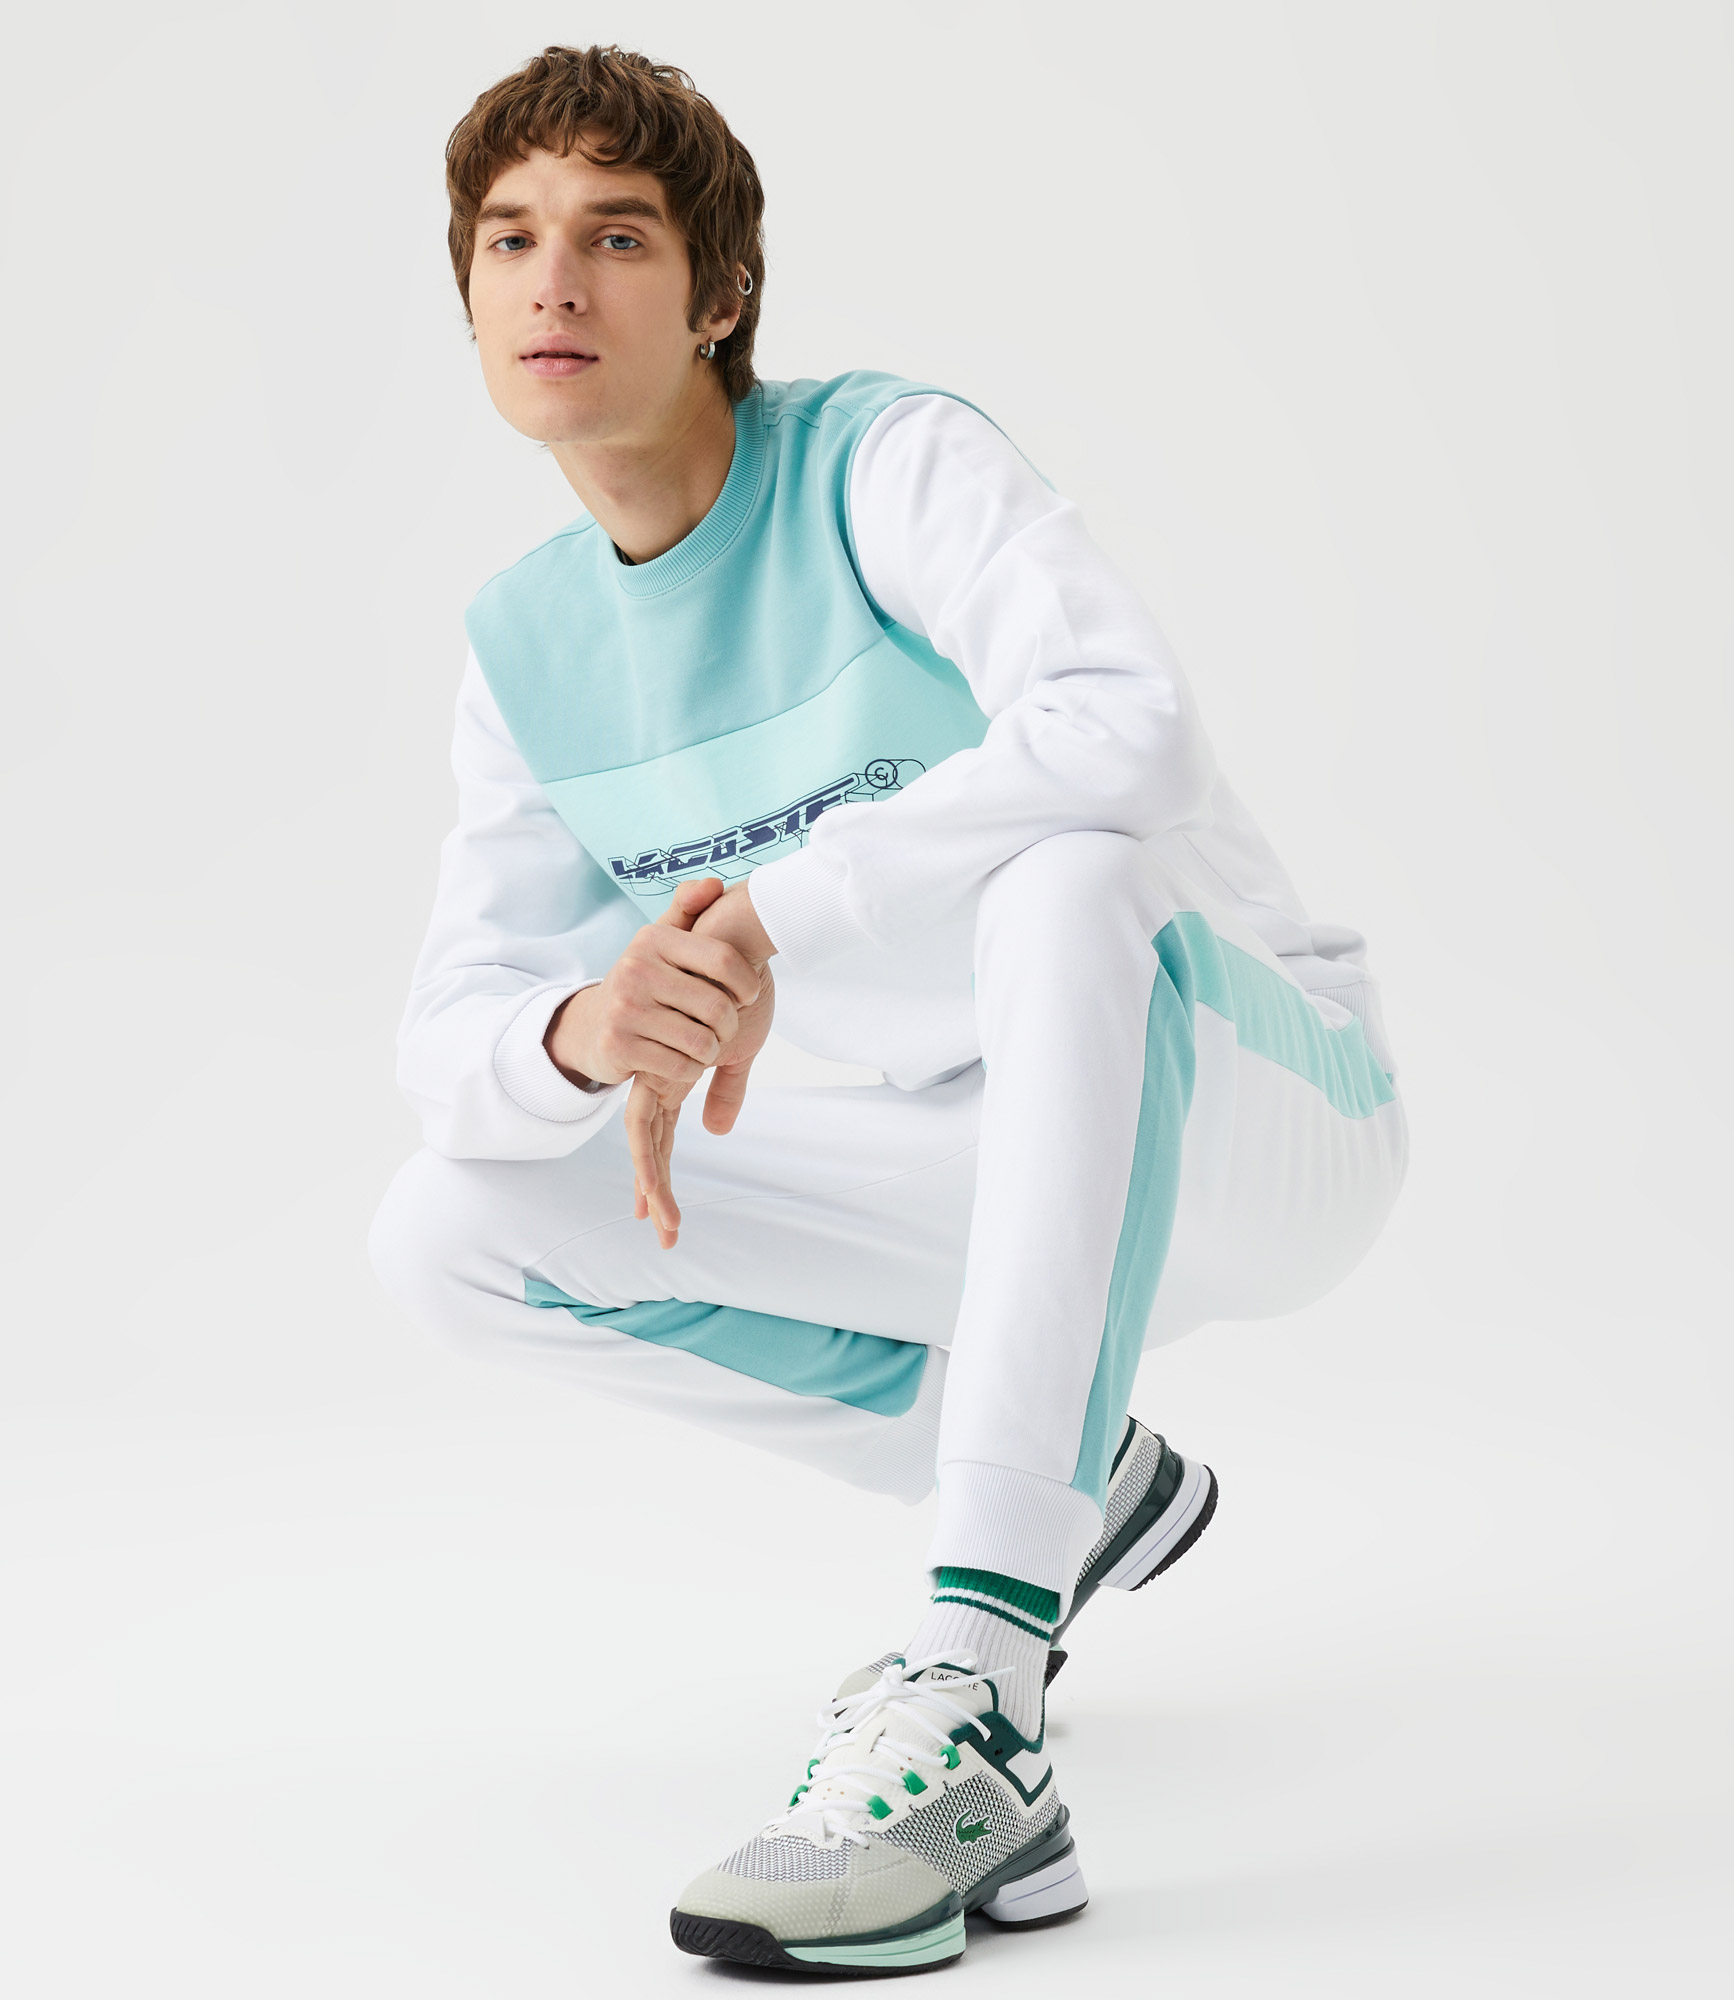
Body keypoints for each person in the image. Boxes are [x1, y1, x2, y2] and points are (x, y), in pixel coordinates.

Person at [369, 43, 1408, 1976]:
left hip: (1258, 1105)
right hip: (999, 1168)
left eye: (616, 236)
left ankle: (984, 1681)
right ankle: (1082, 1485)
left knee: (1070, 874)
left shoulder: (880, 462)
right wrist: (594, 1026)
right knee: (454, 1225)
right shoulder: (527, 647)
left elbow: (1126, 727)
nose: (553, 283)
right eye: (509, 240)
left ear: (720, 292)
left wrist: (778, 909)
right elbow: (452, 1037)